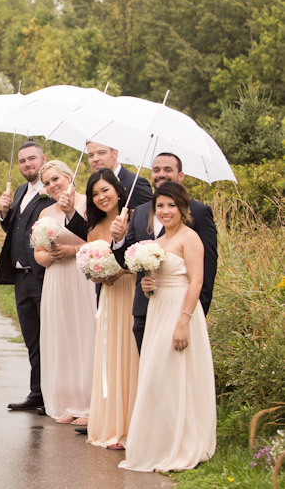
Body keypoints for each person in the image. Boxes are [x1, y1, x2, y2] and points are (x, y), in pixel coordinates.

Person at [119, 182, 216, 472]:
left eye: (171, 205)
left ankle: (183, 441)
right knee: (155, 376)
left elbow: (196, 281)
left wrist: (183, 323)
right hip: (158, 310)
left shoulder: (190, 238)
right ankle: (158, 441)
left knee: (177, 375)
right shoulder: (155, 244)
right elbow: (151, 282)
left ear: (183, 208)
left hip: (180, 311)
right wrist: (147, 285)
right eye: (160, 206)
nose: (165, 211)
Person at [110, 152, 218, 352]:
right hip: (145, 310)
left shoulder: (200, 212)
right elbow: (127, 262)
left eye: (168, 169)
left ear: (181, 175)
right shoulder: (141, 211)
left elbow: (207, 270)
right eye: (157, 170)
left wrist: (194, 316)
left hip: (182, 310)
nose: (161, 174)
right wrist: (118, 239)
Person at [32, 160, 96, 425]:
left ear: (70, 177)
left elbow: (99, 241)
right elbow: (38, 253)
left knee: (86, 335)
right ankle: (67, 401)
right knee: (63, 337)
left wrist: (73, 250)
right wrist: (49, 257)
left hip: (83, 276)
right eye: (46, 183)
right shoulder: (45, 214)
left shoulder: (89, 205)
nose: (51, 186)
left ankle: (89, 404)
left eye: (56, 179)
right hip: (57, 279)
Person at [0, 140, 54, 412]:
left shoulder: (52, 190)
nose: (27, 164)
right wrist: (5, 211)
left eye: (31, 159)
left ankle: (53, 395)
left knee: (50, 337)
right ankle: (36, 392)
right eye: (22, 161)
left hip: (44, 275)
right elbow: (14, 228)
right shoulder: (19, 191)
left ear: (42, 159)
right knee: (31, 338)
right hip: (21, 277)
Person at [83, 169, 138, 451]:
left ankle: (131, 426)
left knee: (129, 355)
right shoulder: (93, 228)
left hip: (129, 294)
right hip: (107, 297)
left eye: (105, 190)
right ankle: (111, 425)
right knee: (109, 356)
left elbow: (139, 261)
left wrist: (121, 272)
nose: (101, 197)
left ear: (117, 190)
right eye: (94, 193)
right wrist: (97, 274)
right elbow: (90, 268)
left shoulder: (135, 220)